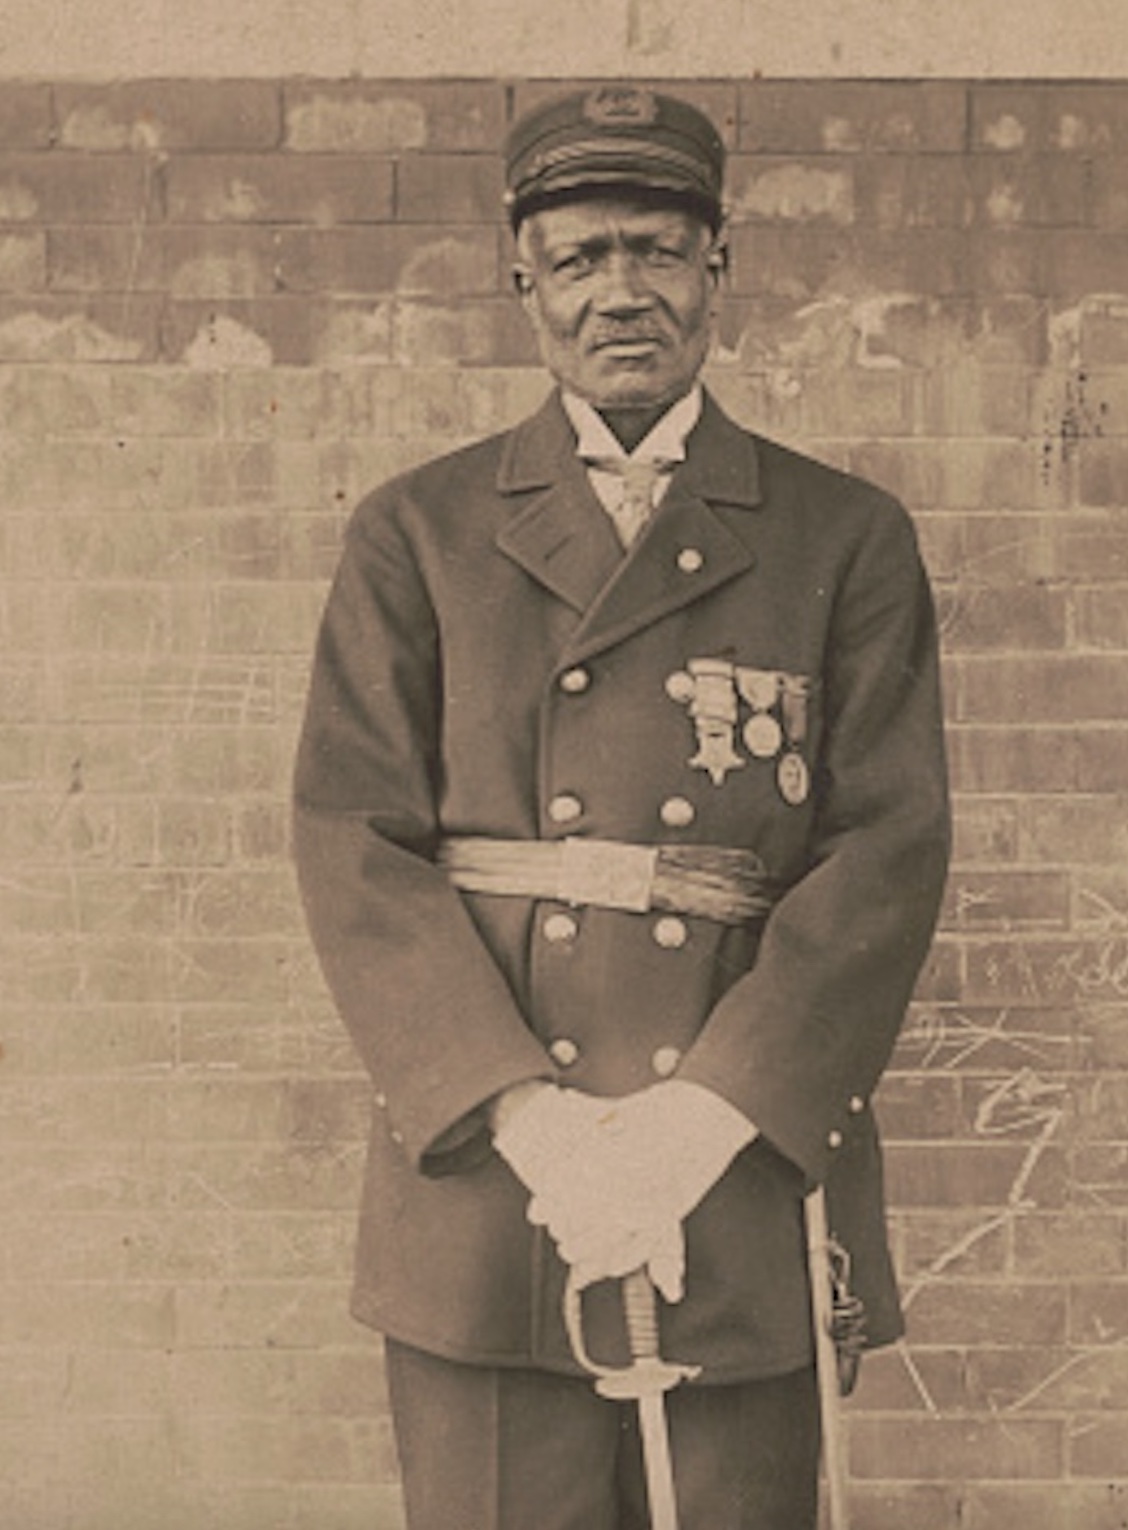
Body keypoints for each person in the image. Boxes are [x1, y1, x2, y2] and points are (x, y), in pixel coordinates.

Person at [291, 86, 948, 1528]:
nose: (621, 292)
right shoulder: (419, 531)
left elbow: (885, 858)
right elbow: (355, 848)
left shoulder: (844, 535)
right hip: (490, 1188)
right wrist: (534, 1122)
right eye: (580, 257)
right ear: (521, 280)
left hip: (735, 1167)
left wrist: (690, 1127)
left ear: (722, 268)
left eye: (656, 250)